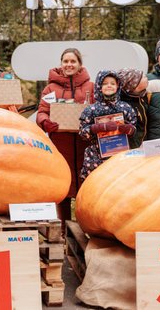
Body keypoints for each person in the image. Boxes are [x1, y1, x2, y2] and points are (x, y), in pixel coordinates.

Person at [36, 48, 94, 222]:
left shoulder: (91, 87)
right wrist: (46, 122)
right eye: (66, 61)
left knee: (87, 189)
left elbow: (98, 110)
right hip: (60, 145)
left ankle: (85, 227)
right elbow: (42, 111)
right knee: (62, 187)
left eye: (73, 61)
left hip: (85, 146)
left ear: (79, 64)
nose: (69, 65)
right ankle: (63, 229)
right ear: (61, 64)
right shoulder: (50, 89)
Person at [79, 70, 137, 180]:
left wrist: (129, 129)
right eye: (105, 83)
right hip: (96, 156)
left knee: (118, 182)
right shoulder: (91, 109)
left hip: (120, 155)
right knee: (96, 183)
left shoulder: (126, 107)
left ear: (118, 86)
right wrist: (98, 128)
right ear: (98, 86)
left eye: (112, 83)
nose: (109, 86)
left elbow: (134, 128)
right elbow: (82, 132)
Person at [117, 68, 149, 149]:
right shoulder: (124, 106)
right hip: (132, 148)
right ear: (134, 84)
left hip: (143, 144)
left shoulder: (142, 97)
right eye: (143, 77)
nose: (147, 77)